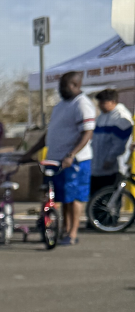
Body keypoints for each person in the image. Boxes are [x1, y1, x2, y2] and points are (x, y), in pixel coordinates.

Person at [23, 71, 95, 247]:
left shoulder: (82, 104)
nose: (60, 89)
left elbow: (87, 133)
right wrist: (30, 152)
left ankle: (72, 233)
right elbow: (49, 134)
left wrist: (71, 154)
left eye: (63, 86)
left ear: (75, 85)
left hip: (74, 161)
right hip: (55, 161)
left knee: (74, 197)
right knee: (61, 197)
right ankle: (64, 229)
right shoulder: (60, 106)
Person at [90, 88, 133, 199]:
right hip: (97, 166)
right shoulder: (101, 117)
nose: (100, 105)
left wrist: (110, 159)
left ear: (113, 102)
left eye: (103, 103)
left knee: (109, 199)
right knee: (96, 199)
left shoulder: (121, 117)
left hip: (113, 167)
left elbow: (119, 144)